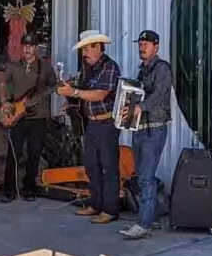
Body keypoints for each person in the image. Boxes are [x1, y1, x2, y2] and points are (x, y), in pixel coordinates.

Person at [57, 30, 121, 224]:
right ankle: (96, 204)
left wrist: (74, 92)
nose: (84, 52)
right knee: (92, 165)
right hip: (92, 122)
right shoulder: (88, 68)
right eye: (83, 48)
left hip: (107, 122)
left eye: (86, 48)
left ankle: (110, 210)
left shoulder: (109, 66)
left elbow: (100, 94)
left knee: (108, 167)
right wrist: (73, 103)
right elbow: (86, 94)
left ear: (97, 47)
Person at [119, 30, 173, 240]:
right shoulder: (142, 71)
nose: (142, 47)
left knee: (146, 177)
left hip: (155, 129)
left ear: (156, 47)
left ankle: (143, 224)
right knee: (142, 176)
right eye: (140, 43)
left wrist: (140, 107)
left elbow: (159, 94)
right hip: (140, 129)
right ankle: (152, 216)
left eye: (146, 44)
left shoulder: (162, 68)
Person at [0, 34, 57, 203]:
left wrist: (57, 89)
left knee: (34, 153)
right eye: (25, 45)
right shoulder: (14, 66)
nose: (27, 49)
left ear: (36, 48)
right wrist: (4, 102)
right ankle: (8, 190)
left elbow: (53, 85)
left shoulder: (45, 67)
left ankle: (29, 189)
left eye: (31, 46)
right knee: (14, 153)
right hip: (18, 115)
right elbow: (2, 83)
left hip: (38, 117)